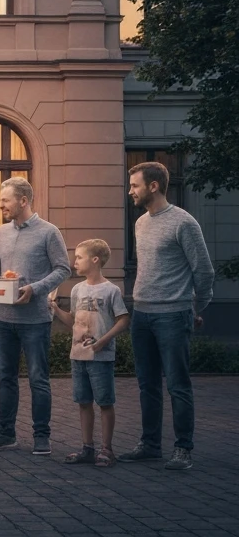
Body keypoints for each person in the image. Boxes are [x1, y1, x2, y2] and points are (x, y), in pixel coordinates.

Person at [121, 161, 215, 471]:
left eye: (134, 185)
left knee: (177, 384)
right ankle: (150, 445)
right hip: (142, 314)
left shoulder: (183, 223)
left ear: (153, 186)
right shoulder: (141, 223)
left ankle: (182, 449)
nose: (130, 190)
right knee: (147, 384)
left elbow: (203, 270)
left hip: (173, 316)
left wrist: (194, 308)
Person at [0, 177, 70, 456]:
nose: (0, 205)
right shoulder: (1, 232)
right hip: (3, 318)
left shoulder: (49, 232)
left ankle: (41, 436)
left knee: (38, 379)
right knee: (5, 377)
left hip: (35, 320)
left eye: (5, 200)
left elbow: (63, 269)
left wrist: (35, 288)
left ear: (23, 201)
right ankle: (6, 433)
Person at [50, 239, 129, 467]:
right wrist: (55, 309)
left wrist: (103, 341)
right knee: (83, 401)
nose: (75, 262)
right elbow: (73, 320)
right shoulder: (77, 289)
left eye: (79, 257)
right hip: (78, 355)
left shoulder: (111, 290)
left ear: (95, 260)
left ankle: (107, 449)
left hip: (100, 357)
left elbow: (123, 319)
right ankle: (87, 447)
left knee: (104, 402)